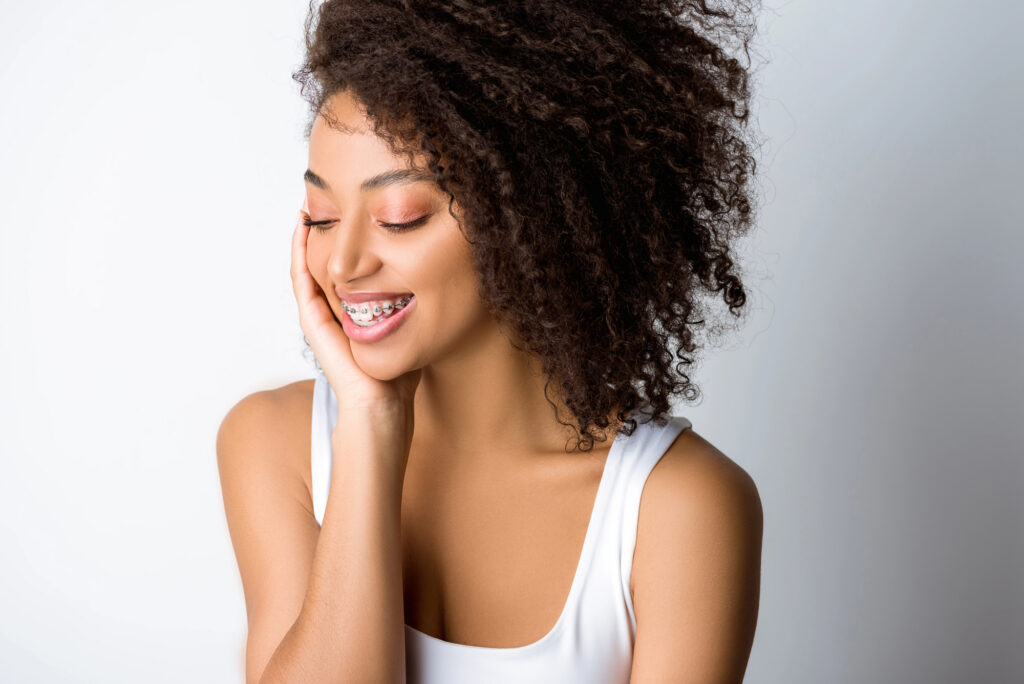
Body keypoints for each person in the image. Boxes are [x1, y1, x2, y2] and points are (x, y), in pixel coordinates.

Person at [217, 1, 764, 682]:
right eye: (322, 216)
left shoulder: (677, 508)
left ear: (526, 215)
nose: (343, 264)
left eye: (399, 218)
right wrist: (369, 427)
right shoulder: (274, 445)